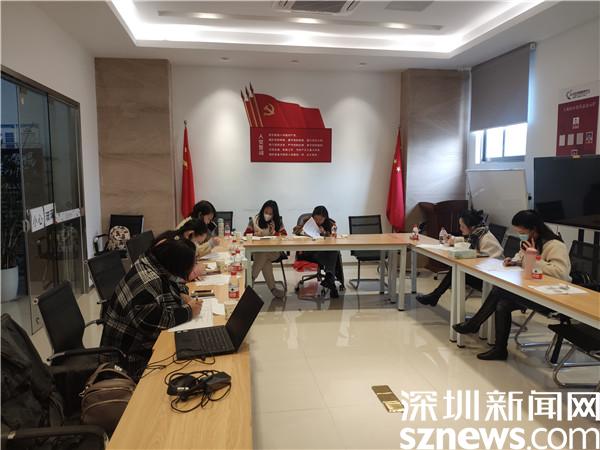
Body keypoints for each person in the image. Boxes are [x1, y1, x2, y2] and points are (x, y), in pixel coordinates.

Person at [453, 210, 571, 361]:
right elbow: (520, 258)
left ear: (534, 229)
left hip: (550, 296)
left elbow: (561, 274)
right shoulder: (529, 241)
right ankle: (499, 349)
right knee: (502, 304)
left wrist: (534, 258)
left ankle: (474, 324)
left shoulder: (555, 245)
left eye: (522, 232)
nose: (520, 235)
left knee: (499, 291)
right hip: (529, 290)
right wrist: (514, 261)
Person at [100, 237, 203, 379]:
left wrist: (182, 294)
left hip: (140, 344)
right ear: (176, 265)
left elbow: (175, 283)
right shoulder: (147, 283)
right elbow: (153, 324)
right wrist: (188, 312)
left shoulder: (151, 263)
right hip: (126, 360)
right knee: (192, 363)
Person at [416, 209, 504, 306]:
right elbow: (466, 241)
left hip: (492, 280)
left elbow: (494, 262)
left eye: (462, 226)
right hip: (481, 274)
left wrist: (472, 255)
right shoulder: (478, 233)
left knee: (456, 272)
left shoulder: (487, 239)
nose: (460, 228)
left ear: (472, 227)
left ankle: (435, 296)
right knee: (456, 271)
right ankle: (435, 296)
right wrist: (453, 239)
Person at [293, 205, 344, 298]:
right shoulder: (307, 221)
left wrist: (323, 233)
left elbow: (332, 238)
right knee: (334, 254)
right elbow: (295, 230)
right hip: (308, 252)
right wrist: (303, 231)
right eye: (316, 219)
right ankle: (330, 280)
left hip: (323, 253)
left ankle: (329, 278)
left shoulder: (330, 224)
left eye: (321, 219)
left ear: (325, 218)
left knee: (333, 251)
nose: (318, 221)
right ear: (313, 216)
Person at [245, 200, 287, 299]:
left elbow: (284, 235)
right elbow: (246, 235)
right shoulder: (254, 220)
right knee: (264, 259)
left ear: (274, 214)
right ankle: (273, 289)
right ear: (262, 210)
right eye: (266, 212)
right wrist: (254, 234)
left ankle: (249, 282)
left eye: (270, 213)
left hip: (274, 252)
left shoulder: (277, 221)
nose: (267, 215)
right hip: (257, 251)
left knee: (263, 254)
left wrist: (274, 232)